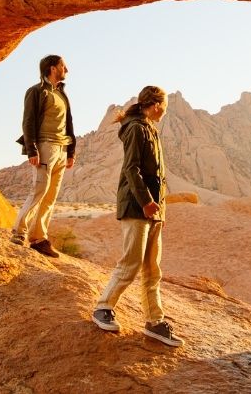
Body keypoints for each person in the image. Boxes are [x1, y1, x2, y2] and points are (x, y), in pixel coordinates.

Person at [91, 85, 183, 347]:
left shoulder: (149, 128)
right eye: (164, 106)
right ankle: (103, 307)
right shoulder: (135, 128)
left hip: (153, 210)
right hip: (137, 207)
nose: (165, 112)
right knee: (131, 262)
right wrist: (146, 202)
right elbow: (132, 169)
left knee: (152, 269)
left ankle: (155, 321)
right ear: (156, 104)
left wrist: (159, 208)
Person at [11, 54, 76, 258]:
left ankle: (39, 238)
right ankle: (19, 232)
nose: (67, 70)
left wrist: (71, 151)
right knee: (39, 190)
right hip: (45, 146)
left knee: (50, 197)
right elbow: (28, 121)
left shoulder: (61, 93)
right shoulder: (37, 91)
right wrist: (32, 150)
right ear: (52, 68)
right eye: (63, 66)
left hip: (62, 149)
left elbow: (68, 123)